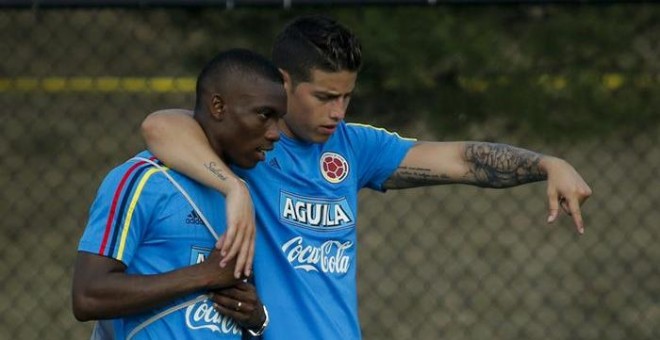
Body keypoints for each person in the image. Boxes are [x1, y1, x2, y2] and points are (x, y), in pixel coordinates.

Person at [140, 15, 592, 339]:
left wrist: (547, 164)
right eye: (324, 96)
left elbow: (460, 159)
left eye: (346, 97)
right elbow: (160, 125)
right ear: (284, 81)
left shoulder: (355, 146)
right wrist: (232, 186)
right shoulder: (247, 140)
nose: (337, 112)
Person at [72, 48, 287, 339]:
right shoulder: (143, 180)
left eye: (279, 119)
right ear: (218, 107)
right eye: (265, 115)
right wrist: (205, 275)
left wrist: (255, 319)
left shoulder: (244, 196)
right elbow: (87, 296)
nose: (275, 132)